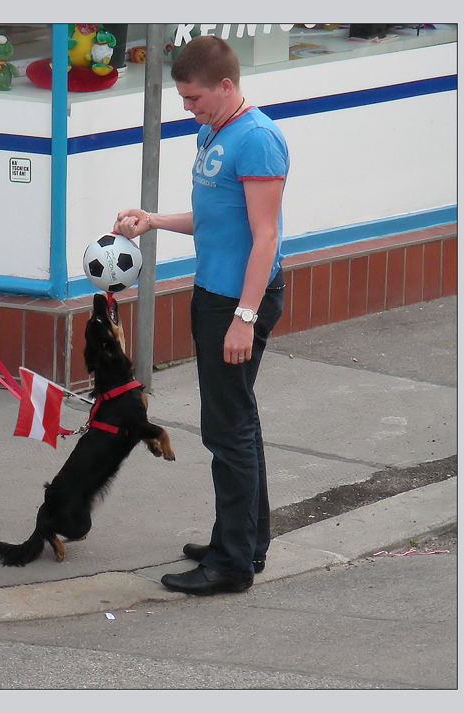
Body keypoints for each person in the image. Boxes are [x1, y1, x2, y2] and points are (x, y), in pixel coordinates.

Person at [114, 35, 288, 596]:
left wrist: (245, 316)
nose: (188, 108)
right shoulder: (213, 130)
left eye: (194, 98)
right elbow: (215, 218)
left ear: (227, 86)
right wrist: (154, 220)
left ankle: (232, 564)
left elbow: (265, 237)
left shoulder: (257, 139)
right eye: (185, 99)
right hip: (213, 293)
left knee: (227, 429)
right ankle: (245, 539)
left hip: (235, 302)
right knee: (238, 420)